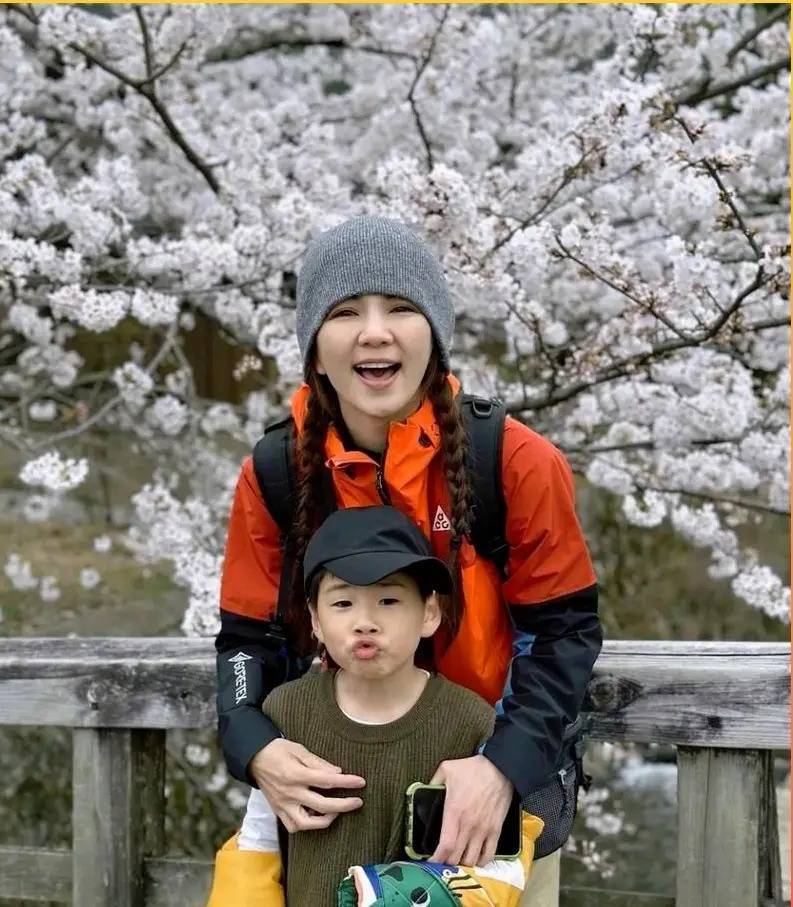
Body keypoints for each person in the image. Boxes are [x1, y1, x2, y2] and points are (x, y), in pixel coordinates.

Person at [213, 216, 601, 889]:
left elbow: (561, 634)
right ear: (314, 349)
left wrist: (501, 765)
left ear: (435, 336)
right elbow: (248, 643)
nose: (374, 331)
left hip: (489, 800)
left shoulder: (513, 461)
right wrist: (255, 746)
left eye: (399, 307)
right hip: (334, 798)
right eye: (344, 312)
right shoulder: (277, 473)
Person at [207, 504, 545, 906]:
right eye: (343, 603)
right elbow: (259, 842)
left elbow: (501, 861)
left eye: (388, 600)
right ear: (315, 620)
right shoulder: (287, 712)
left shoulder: (470, 723)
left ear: (429, 613)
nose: (365, 621)